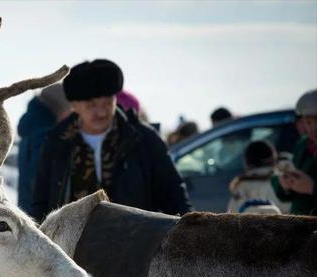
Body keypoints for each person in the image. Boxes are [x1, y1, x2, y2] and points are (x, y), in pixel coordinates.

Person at [31, 59, 191, 221]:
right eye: (91, 105)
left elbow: (174, 194)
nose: (101, 112)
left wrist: (187, 233)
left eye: (107, 103)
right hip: (72, 243)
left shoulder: (142, 139)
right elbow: (41, 202)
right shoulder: (57, 143)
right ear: (75, 105)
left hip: (137, 240)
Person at [17, 83, 71, 215]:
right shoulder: (46, 137)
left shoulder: (30, 131)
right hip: (45, 216)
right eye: (70, 108)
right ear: (59, 107)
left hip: (28, 212)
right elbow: (40, 182)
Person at [271, 89, 317, 215]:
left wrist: (312, 188)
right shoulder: (303, 145)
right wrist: (285, 184)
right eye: (308, 122)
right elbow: (291, 194)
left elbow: (309, 188)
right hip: (300, 226)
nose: (313, 128)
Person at [227, 140, 288, 214]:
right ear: (273, 157)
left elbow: (231, 215)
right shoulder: (285, 181)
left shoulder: (240, 186)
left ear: (246, 161)